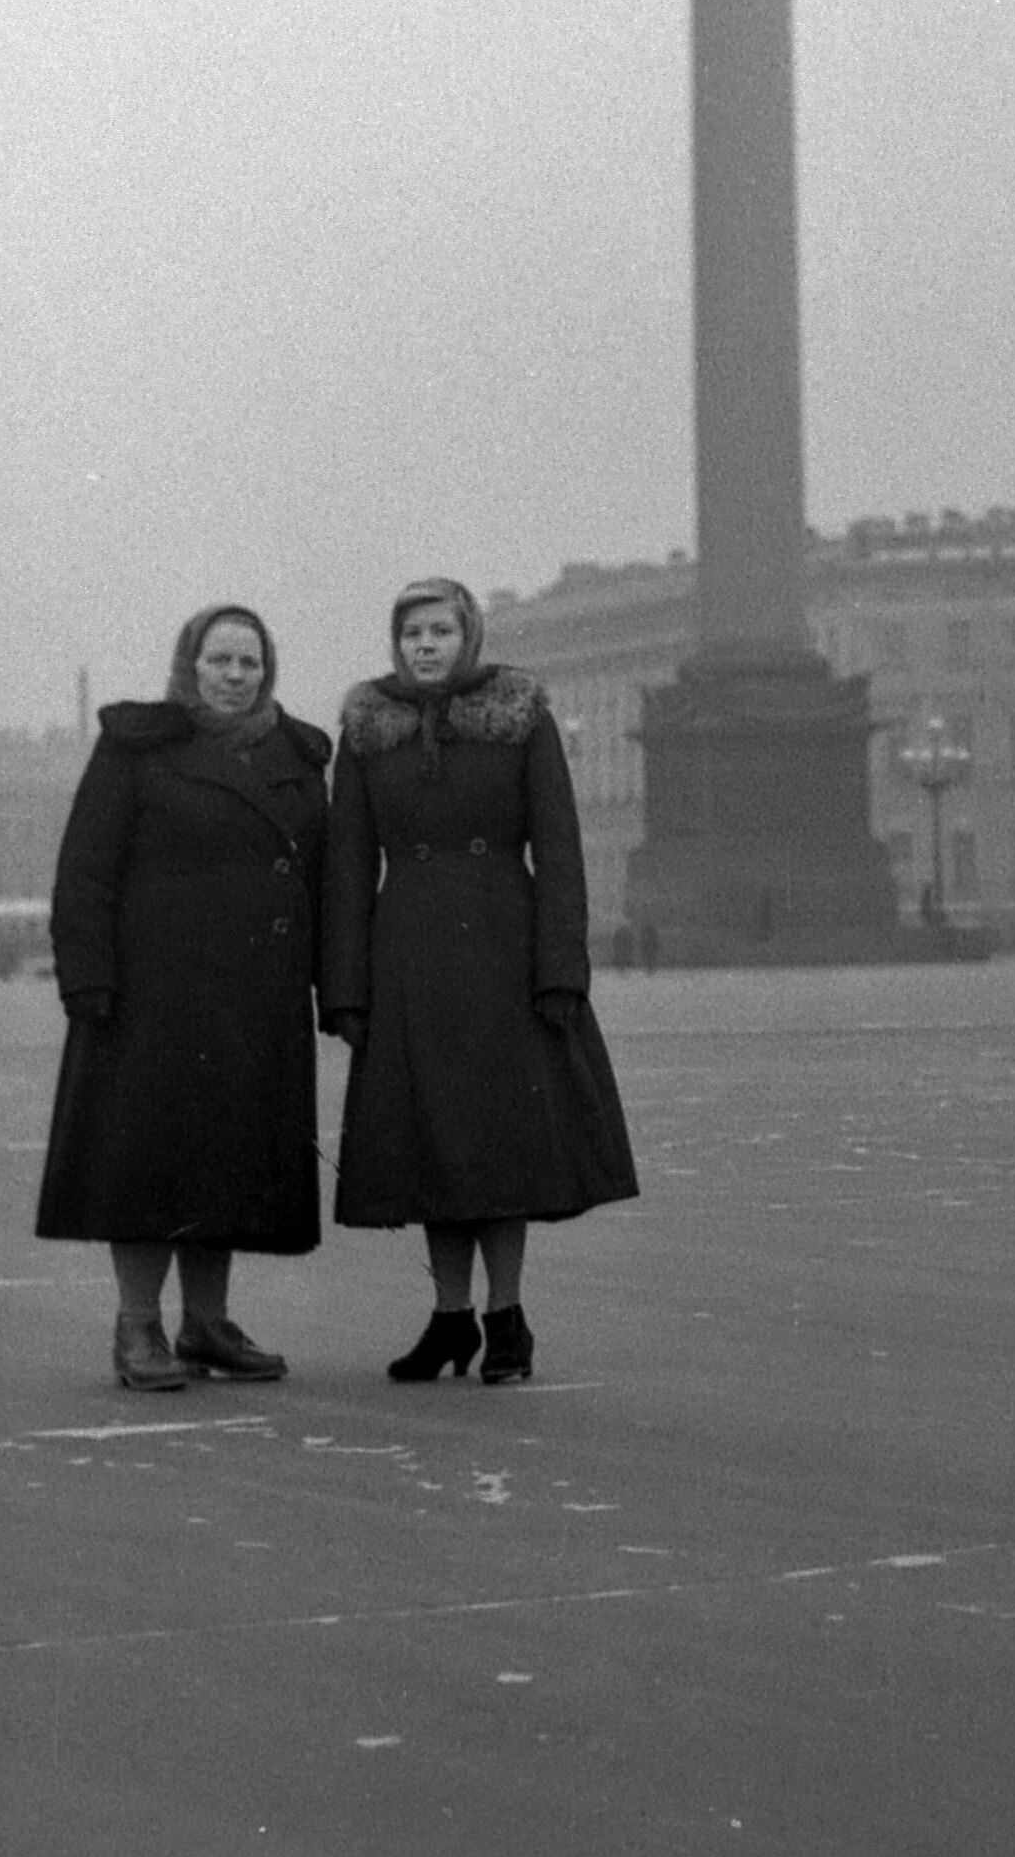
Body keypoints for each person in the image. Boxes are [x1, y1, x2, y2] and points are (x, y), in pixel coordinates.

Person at [321, 577, 637, 1385]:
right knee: (433, 1145)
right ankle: (449, 1317)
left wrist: (560, 968)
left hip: (502, 945)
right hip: (408, 955)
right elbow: (347, 865)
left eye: (440, 631)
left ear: (469, 638)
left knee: (498, 1145)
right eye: (412, 634)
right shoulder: (367, 731)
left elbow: (558, 849)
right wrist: (345, 988)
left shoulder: (520, 718)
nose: (425, 646)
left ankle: (506, 1317)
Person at [36, 605, 331, 1391]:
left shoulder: (296, 755)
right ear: (189, 665)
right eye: (219, 660)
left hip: (255, 995)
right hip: (150, 996)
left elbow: (324, 877)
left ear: (267, 670)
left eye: (250, 662)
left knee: (225, 1159)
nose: (235, 676)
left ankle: (206, 1323)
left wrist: (334, 985)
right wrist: (87, 977)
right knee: (145, 1164)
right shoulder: (138, 745)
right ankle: (138, 1325)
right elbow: (85, 871)